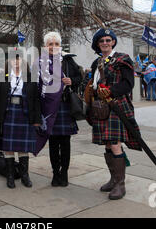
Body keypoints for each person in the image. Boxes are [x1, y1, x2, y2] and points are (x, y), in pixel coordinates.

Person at [85, 28, 141, 200]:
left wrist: (109, 91)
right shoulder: (97, 62)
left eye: (108, 40)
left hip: (116, 105)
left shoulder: (122, 59)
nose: (105, 43)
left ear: (113, 42)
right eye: (101, 41)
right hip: (101, 108)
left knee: (115, 143)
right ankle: (113, 179)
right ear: (98, 44)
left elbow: (128, 84)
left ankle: (120, 185)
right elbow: (93, 84)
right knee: (107, 144)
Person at [36, 31, 81, 187]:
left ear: (60, 46)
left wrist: (71, 81)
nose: (53, 47)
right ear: (45, 46)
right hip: (48, 106)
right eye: (50, 44)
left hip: (64, 105)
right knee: (53, 142)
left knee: (65, 142)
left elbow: (79, 78)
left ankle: (64, 173)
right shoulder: (39, 62)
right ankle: (55, 174)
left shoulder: (67, 60)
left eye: (56, 44)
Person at [0, 51, 41, 189]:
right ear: (9, 62)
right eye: (13, 60)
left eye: (19, 60)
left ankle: (25, 175)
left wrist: (37, 119)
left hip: (25, 113)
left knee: (23, 147)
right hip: (8, 112)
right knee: (8, 147)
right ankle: (10, 176)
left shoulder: (31, 76)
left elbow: (36, 99)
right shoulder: (3, 76)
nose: (16, 62)